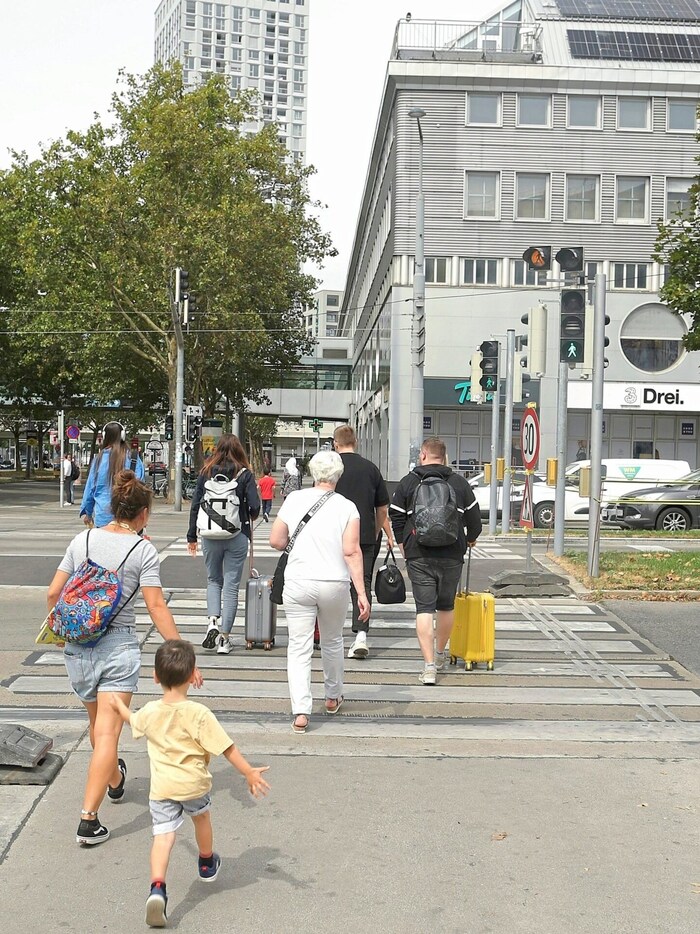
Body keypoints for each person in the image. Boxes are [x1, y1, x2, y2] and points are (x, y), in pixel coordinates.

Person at [47, 470, 202, 847]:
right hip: (117, 647)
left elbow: (53, 594)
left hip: (78, 648)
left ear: (112, 507)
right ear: (143, 514)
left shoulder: (82, 539)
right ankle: (87, 820)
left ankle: (114, 779)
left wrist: (61, 633)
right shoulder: (143, 550)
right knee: (106, 735)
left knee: (99, 730)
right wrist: (182, 654)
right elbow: (156, 606)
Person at [109, 639, 270, 928]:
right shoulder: (199, 713)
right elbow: (226, 747)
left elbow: (133, 721)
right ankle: (207, 862)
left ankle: (157, 888)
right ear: (192, 673)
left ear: (156, 677)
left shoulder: (149, 711)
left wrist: (118, 705)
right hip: (194, 784)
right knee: (202, 817)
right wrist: (248, 772)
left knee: (163, 836)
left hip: (162, 788)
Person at [269, 450, 370, 733]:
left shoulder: (294, 499)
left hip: (299, 581)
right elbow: (351, 551)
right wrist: (361, 593)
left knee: (298, 646)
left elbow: (276, 540)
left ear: (312, 473)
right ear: (339, 475)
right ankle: (332, 696)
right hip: (334, 583)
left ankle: (301, 711)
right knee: (333, 640)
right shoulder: (348, 507)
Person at [390, 437, 482, 686]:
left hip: (419, 555)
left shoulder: (409, 483)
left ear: (422, 455)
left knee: (424, 609)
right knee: (446, 606)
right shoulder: (460, 483)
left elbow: (396, 518)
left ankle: (429, 667)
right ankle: (441, 653)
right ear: (445, 457)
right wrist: (470, 539)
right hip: (452, 554)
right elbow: (475, 521)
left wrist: (404, 547)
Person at [187, 434, 260, 655]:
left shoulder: (205, 472)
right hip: (236, 536)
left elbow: (195, 506)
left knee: (213, 580)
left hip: (209, 535)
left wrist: (192, 536)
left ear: (217, 449)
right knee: (230, 586)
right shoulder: (244, 474)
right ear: (240, 450)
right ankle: (224, 640)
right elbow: (255, 508)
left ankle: (212, 622)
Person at [332, 425, 390, 660]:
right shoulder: (371, 469)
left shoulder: (331, 468)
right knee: (361, 584)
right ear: (355, 442)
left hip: (333, 534)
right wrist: (375, 531)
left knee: (330, 580)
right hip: (364, 535)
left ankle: (325, 634)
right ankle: (361, 636)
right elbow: (382, 507)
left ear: (336, 444)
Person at [80, 422, 145, 528]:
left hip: (103, 519)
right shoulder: (133, 459)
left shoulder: (98, 460)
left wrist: (88, 512)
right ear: (123, 436)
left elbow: (90, 489)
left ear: (105, 436)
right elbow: (141, 488)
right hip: (129, 519)